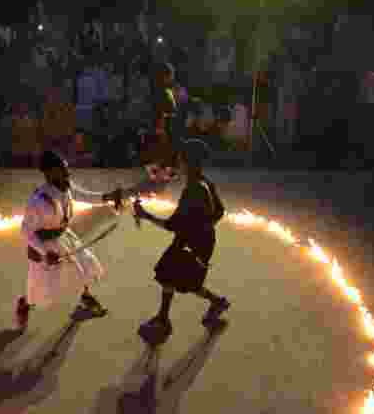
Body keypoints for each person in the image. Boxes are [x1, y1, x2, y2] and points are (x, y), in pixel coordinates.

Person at [15, 150, 127, 330]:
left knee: (83, 267)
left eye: (65, 166)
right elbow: (26, 231)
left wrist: (108, 196)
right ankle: (24, 304)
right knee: (40, 286)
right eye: (62, 167)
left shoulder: (65, 186)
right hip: (44, 247)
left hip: (64, 238)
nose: (67, 170)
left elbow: (85, 196)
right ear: (50, 172)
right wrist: (46, 253)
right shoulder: (38, 200)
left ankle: (84, 297)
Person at [133, 139, 230, 341]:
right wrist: (203, 225)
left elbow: (172, 225)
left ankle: (163, 320)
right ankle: (216, 302)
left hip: (192, 243)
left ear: (187, 162)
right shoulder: (205, 182)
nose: (179, 163)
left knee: (171, 275)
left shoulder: (193, 190)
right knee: (184, 279)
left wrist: (145, 215)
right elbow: (220, 212)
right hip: (201, 240)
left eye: (181, 159)